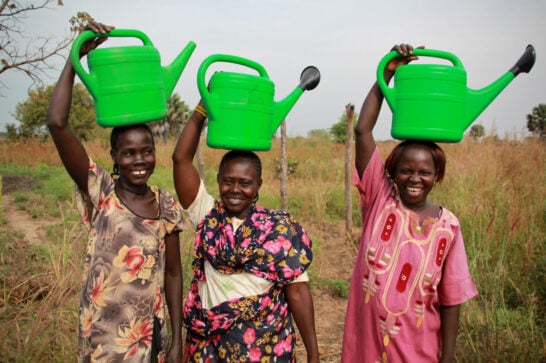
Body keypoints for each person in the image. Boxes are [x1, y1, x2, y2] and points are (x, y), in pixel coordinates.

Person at [46, 22, 184, 363]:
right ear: (115, 158)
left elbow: (174, 274)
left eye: (146, 151)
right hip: (103, 341)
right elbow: (56, 123)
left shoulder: (166, 204)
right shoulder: (101, 191)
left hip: (150, 337)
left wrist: (177, 339)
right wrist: (75, 58)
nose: (139, 160)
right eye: (129, 153)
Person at [341, 44, 478, 362]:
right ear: (393, 172)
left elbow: (452, 298)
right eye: (406, 170)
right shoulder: (380, 199)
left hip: (419, 353)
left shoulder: (448, 226)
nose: (414, 179)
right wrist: (386, 73)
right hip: (366, 349)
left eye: (424, 172)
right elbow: (363, 130)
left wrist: (448, 356)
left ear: (437, 176)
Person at [172, 101, 320, 362]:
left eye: (245, 183)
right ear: (218, 181)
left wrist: (313, 353)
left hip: (265, 346)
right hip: (210, 346)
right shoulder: (208, 216)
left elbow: (297, 292)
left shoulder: (280, 230)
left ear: (258, 185)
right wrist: (201, 111)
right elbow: (180, 159)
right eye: (228, 181)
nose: (235, 190)